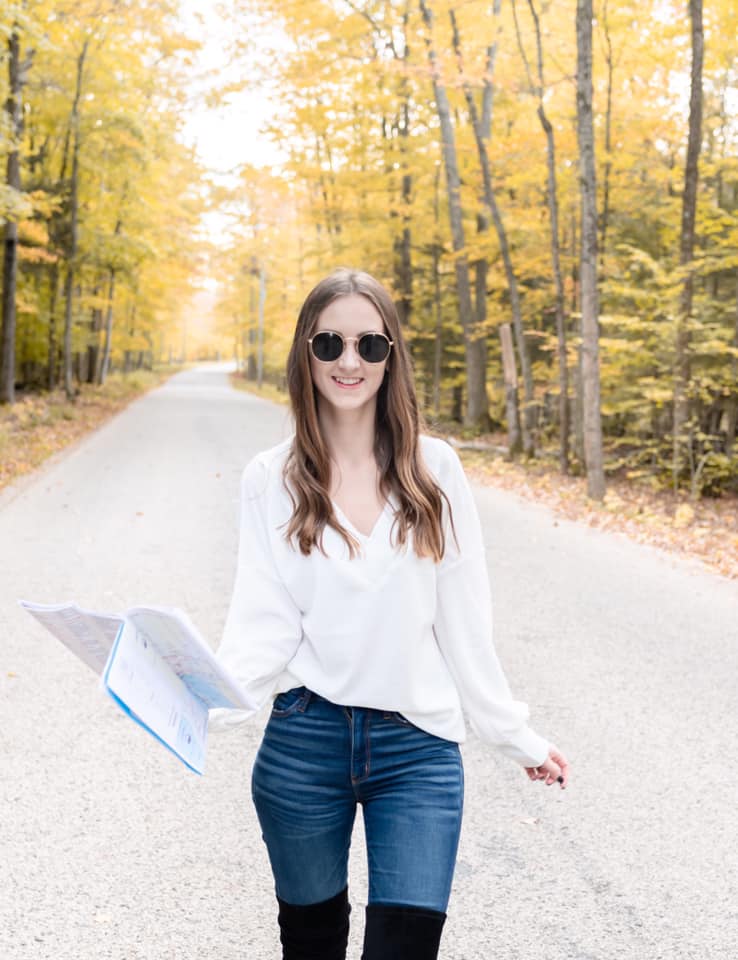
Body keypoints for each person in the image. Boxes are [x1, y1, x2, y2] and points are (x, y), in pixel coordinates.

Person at [210, 268, 570, 960]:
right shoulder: (271, 478)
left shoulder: (435, 471)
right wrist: (202, 703)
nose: (350, 362)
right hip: (302, 745)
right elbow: (265, 624)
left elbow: (464, 620)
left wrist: (512, 733)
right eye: (330, 344)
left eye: (369, 346)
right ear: (305, 353)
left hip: (418, 752)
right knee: (311, 946)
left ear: (391, 355)